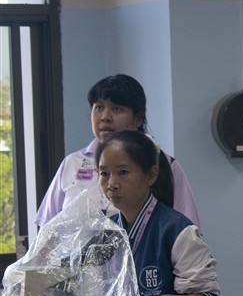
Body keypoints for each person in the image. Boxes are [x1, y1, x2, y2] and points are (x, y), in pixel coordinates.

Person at [95, 130, 219, 296]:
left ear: (151, 175)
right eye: (104, 173)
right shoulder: (106, 232)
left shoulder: (177, 230)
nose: (112, 184)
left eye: (123, 172)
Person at [36, 74, 201, 228]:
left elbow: (186, 228)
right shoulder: (72, 163)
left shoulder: (163, 164)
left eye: (116, 109)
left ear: (138, 119)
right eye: (99, 107)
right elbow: (47, 228)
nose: (105, 117)